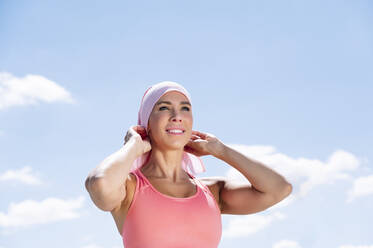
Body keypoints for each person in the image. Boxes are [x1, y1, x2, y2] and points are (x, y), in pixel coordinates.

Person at [85, 81, 293, 248]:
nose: (177, 117)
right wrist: (133, 146)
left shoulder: (213, 191)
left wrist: (221, 151)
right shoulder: (129, 187)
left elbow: (279, 189)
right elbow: (99, 185)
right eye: (164, 108)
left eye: (185, 108)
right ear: (146, 122)